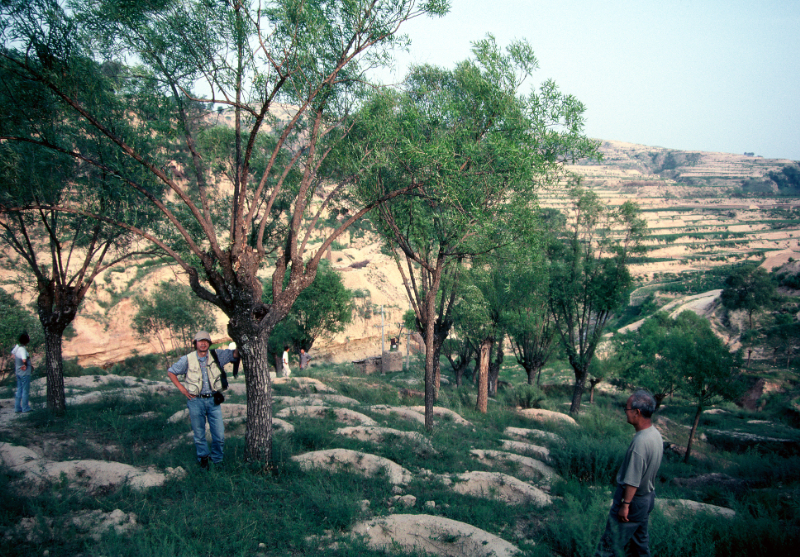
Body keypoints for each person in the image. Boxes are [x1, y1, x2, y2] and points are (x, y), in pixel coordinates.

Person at [595, 390, 663, 557]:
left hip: (633, 502)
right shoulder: (655, 434)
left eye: (627, 409)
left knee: (609, 547)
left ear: (637, 412)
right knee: (640, 547)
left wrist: (625, 505)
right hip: (647, 499)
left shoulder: (640, 442)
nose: (625, 412)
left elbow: (633, 480)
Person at [167, 331, 238, 468]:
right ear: (195, 343)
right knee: (199, 433)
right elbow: (171, 372)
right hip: (195, 401)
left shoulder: (217, 355)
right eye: (200, 341)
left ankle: (217, 460)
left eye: (206, 341)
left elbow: (235, 354)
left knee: (219, 434)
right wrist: (183, 390)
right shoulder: (187, 359)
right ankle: (203, 459)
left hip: (213, 400)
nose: (203, 343)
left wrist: (241, 339)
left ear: (209, 343)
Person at [11, 332, 33, 413]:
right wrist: (25, 365)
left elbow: (13, 354)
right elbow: (24, 359)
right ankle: (25, 408)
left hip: (18, 372)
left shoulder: (17, 347)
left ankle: (17, 408)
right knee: (25, 390)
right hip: (24, 373)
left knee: (19, 390)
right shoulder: (22, 349)